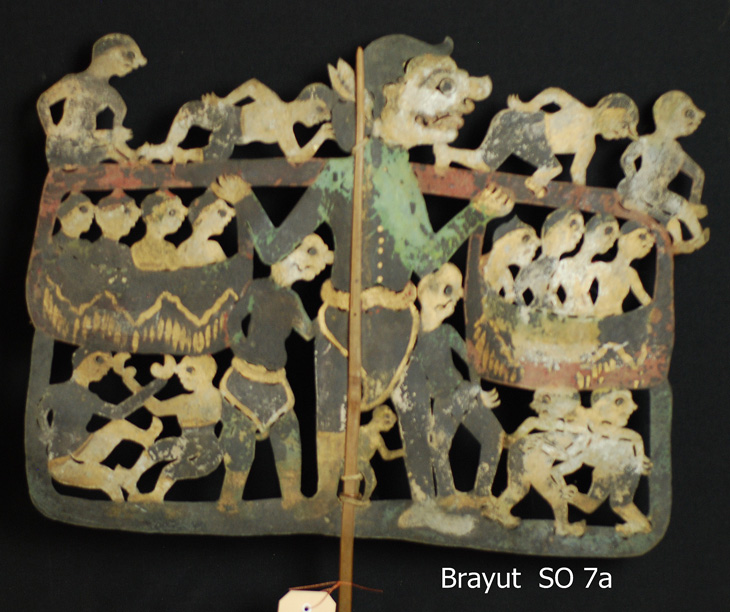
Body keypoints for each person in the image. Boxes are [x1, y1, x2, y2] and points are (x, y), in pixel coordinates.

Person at [211, 35, 514, 504]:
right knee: (333, 427)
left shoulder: (398, 176)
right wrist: (245, 200)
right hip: (339, 328)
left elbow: (424, 258)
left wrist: (477, 213)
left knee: (412, 419)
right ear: (380, 101)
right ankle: (326, 502)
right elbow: (273, 249)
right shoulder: (341, 175)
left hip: (399, 330)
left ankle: (424, 504)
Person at [218, 234, 334, 509]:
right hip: (244, 379)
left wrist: (330, 312)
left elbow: (308, 331)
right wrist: (240, 346)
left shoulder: (292, 300)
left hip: (275, 381)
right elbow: (234, 319)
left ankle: (291, 497)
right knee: (240, 442)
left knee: (288, 433)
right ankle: (229, 500)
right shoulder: (257, 289)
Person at [404, 264, 502, 501]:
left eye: (456, 294)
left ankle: (479, 493)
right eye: (448, 291)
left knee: (491, 435)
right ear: (426, 292)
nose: (453, 301)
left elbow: (471, 360)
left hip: (458, 394)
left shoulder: (444, 332)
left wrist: (477, 389)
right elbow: (414, 379)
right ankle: (450, 495)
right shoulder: (414, 342)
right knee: (439, 448)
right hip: (447, 399)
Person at [435, 88, 638, 197]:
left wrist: (582, 194)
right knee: (553, 167)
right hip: (522, 123)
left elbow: (578, 173)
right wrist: (529, 106)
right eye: (622, 128)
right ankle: (535, 181)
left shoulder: (588, 146)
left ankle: (446, 153)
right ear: (612, 113)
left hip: (515, 127)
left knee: (482, 163)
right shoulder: (579, 111)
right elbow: (554, 94)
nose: (620, 135)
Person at [38, 349, 163, 501]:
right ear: (83, 361)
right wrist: (46, 432)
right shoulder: (58, 391)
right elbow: (41, 409)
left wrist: (151, 388)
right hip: (62, 462)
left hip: (82, 448)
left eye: (107, 365)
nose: (105, 370)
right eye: (100, 361)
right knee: (110, 482)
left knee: (119, 426)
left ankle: (146, 439)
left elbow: (118, 412)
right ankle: (124, 493)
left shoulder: (88, 397)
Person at [139, 82, 335, 163]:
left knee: (213, 156)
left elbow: (295, 158)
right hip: (230, 115)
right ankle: (167, 147)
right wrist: (224, 101)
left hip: (233, 136)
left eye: (324, 115)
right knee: (189, 110)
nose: (322, 118)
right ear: (308, 100)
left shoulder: (285, 130)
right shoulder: (275, 103)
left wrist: (320, 137)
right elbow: (251, 86)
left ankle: (172, 153)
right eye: (320, 110)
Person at [483, 387, 589, 537]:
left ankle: (499, 510)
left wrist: (505, 439)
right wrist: (501, 437)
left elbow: (512, 441)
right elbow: (512, 440)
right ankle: (562, 527)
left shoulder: (567, 428)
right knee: (556, 496)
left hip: (520, 451)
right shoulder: (564, 428)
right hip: (532, 457)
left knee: (518, 489)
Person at [551, 388, 652, 536]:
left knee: (620, 504)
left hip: (623, 465)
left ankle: (642, 525)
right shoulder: (581, 438)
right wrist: (563, 487)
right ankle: (639, 524)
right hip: (605, 468)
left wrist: (639, 459)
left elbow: (634, 438)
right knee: (590, 505)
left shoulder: (602, 430)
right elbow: (571, 463)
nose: (633, 408)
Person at [618, 90, 709, 254]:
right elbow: (627, 159)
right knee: (672, 219)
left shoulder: (676, 150)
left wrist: (694, 201)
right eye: (686, 114)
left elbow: (698, 174)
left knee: (683, 207)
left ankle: (696, 238)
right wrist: (633, 181)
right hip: (640, 193)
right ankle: (678, 242)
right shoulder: (646, 142)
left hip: (659, 194)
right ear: (668, 116)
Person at [37, 33, 146, 167]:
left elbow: (117, 139)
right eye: (127, 61)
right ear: (109, 55)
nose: (130, 68)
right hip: (64, 146)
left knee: (110, 149)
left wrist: (131, 155)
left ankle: (128, 165)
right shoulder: (76, 82)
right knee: (108, 149)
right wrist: (51, 131)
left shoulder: (111, 95)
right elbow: (43, 101)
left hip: (86, 144)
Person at [128, 355, 224, 502]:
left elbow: (158, 407)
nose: (181, 379)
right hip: (186, 443)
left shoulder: (215, 397)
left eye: (188, 372)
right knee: (157, 449)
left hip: (209, 451)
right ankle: (130, 478)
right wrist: (131, 383)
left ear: (204, 372)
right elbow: (157, 408)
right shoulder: (186, 400)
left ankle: (156, 496)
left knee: (173, 469)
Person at [514, 208, 584, 308]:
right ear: (555, 229)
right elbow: (517, 291)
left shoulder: (558, 264)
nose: (581, 231)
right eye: (573, 224)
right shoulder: (546, 264)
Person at [587, 221, 655, 317]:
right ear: (622, 237)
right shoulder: (600, 267)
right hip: (597, 316)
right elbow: (581, 289)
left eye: (648, 243)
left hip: (618, 320)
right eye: (641, 237)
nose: (644, 243)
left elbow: (645, 299)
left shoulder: (631, 274)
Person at [480, 217, 540, 303]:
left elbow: (509, 300)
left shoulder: (505, 274)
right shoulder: (481, 264)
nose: (533, 255)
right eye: (529, 250)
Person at [130, 191, 187, 271]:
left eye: (182, 214)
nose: (181, 218)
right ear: (150, 217)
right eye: (172, 213)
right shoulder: (137, 249)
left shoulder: (170, 248)